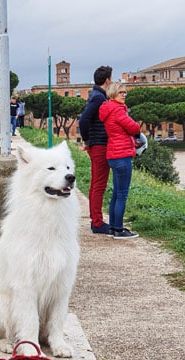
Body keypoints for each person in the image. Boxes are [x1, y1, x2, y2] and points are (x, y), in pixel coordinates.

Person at [99, 81, 141, 239]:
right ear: (113, 94)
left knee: (116, 193)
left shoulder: (108, 109)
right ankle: (118, 228)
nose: (124, 95)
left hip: (113, 155)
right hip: (122, 155)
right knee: (122, 194)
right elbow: (134, 128)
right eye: (121, 92)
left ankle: (112, 227)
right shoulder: (118, 110)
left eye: (125, 92)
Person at [78, 66, 113, 235]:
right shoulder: (98, 98)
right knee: (99, 185)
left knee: (96, 184)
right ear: (107, 80)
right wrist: (87, 140)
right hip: (99, 144)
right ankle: (97, 222)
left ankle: (95, 219)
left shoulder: (96, 95)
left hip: (97, 143)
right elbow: (84, 119)